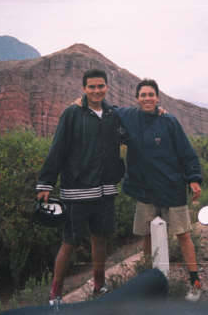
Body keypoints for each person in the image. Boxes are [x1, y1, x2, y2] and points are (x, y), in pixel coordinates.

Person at [36, 68, 125, 307]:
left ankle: (99, 284)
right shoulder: (72, 114)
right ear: (84, 88)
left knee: (100, 239)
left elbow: (134, 130)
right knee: (70, 241)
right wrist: (45, 182)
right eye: (92, 87)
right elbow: (58, 149)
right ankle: (55, 294)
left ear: (107, 87)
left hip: (106, 190)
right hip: (76, 190)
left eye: (100, 86)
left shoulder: (113, 115)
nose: (96, 91)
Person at [117, 78, 204, 302]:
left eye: (151, 94)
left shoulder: (169, 121)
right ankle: (148, 280)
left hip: (172, 187)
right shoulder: (129, 117)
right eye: (143, 95)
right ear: (137, 98)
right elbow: (109, 110)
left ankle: (194, 280)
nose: (147, 98)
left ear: (157, 97)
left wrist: (193, 178)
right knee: (146, 235)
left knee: (183, 234)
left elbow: (185, 151)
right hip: (144, 189)